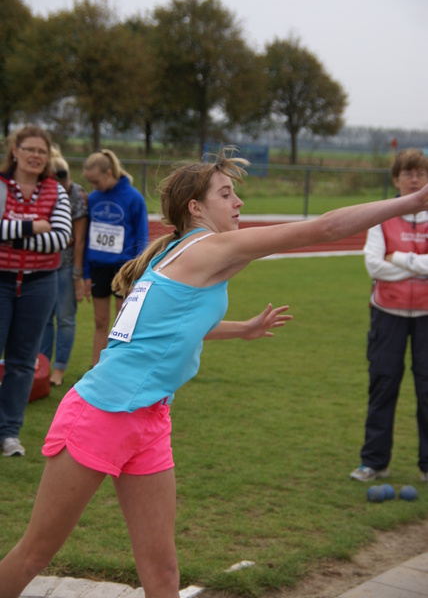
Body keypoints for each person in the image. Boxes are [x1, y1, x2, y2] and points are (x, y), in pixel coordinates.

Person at [2, 150, 428, 598]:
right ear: (196, 208)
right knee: (36, 554)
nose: (238, 202)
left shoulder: (178, 250)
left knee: (163, 573)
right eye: (227, 194)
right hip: (101, 414)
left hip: (148, 421)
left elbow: (163, 330)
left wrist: (243, 329)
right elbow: (324, 227)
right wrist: (410, 201)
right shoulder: (209, 248)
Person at [350, 149, 428, 483]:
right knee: (383, 385)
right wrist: (419, 267)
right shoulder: (382, 217)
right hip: (386, 315)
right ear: (395, 180)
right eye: (407, 174)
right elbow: (373, 265)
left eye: (420, 173)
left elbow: (386, 263)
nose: (414, 180)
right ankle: (375, 462)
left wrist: (399, 259)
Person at [0, 125, 72, 458]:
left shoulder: (55, 190)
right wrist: (32, 226)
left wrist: (9, 233)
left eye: (41, 152)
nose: (35, 156)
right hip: (1, 280)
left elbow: (60, 238)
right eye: (29, 149)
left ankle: (9, 433)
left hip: (39, 284)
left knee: (23, 362)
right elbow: (46, 233)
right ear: (15, 150)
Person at [83, 149, 149, 367]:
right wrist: (84, 273)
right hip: (98, 268)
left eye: (96, 180)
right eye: (90, 182)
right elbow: (85, 238)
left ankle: (117, 368)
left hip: (124, 270)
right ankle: (95, 368)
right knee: (100, 321)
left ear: (109, 172)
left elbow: (142, 239)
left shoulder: (134, 198)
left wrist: (137, 273)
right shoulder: (93, 199)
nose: (94, 186)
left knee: (123, 324)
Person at [39, 149, 89, 387]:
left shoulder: (76, 193)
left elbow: (78, 239)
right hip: (43, 263)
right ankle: (41, 365)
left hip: (67, 265)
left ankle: (58, 370)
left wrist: (77, 274)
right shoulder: (42, 190)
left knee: (65, 318)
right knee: (44, 319)